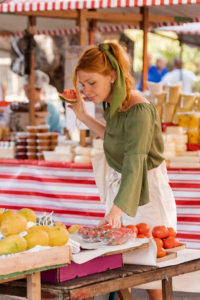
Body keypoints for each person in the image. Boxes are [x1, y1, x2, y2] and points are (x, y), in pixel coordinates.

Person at [68, 42, 177, 300]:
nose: (86, 90)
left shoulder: (139, 109)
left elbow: (135, 161)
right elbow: (114, 139)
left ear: (112, 76)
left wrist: (116, 210)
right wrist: (82, 116)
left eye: (91, 83)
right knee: (120, 262)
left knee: (151, 268)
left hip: (146, 190)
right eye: (83, 85)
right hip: (124, 188)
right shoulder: (113, 104)